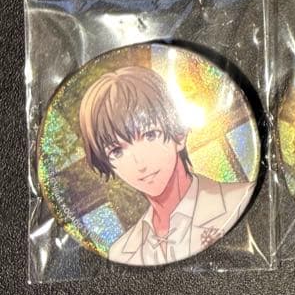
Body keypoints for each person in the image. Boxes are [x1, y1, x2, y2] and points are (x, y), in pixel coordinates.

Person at [78, 64, 255, 265]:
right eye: (117, 151)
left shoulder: (240, 200)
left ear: (179, 135)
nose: (139, 163)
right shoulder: (122, 253)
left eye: (150, 135)